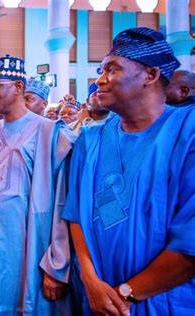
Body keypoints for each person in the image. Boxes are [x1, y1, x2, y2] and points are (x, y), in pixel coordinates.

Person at [62, 27, 195, 315]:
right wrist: (90, 281)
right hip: (97, 300)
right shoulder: (91, 140)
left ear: (151, 75)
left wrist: (125, 294)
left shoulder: (187, 133)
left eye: (112, 69)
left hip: (163, 302)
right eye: (101, 69)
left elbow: (190, 243)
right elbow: (76, 215)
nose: (100, 79)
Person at [0, 55, 76, 315]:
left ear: (18, 87)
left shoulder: (50, 134)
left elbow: (63, 205)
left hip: (32, 250)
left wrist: (57, 264)